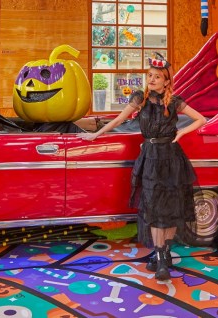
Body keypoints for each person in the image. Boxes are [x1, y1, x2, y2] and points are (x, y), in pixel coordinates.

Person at [79, 52, 206, 281]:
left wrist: (181, 133)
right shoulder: (140, 98)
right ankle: (160, 257)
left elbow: (201, 119)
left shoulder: (174, 101)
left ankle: (164, 253)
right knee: (154, 208)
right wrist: (95, 135)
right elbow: (119, 120)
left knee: (171, 207)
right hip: (150, 158)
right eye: (150, 75)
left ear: (166, 81)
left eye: (157, 76)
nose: (152, 80)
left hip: (172, 158)